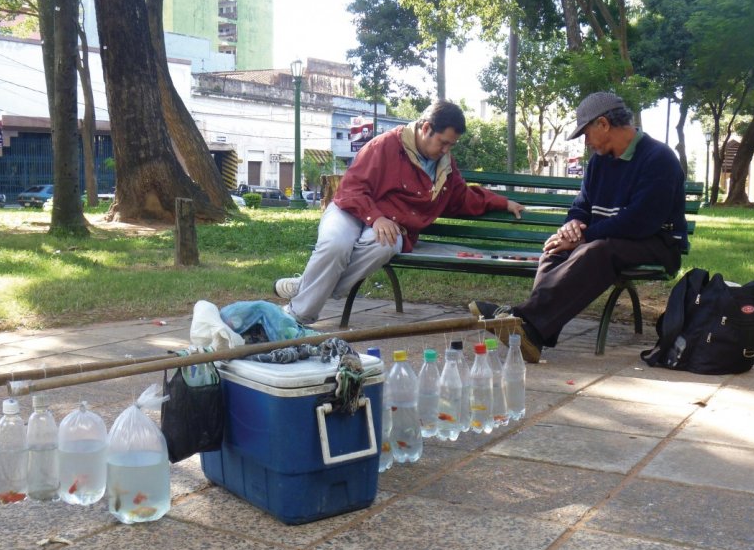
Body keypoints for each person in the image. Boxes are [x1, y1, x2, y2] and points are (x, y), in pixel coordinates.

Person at [470, 92, 688, 363]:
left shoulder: (659, 159)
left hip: (658, 243)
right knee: (554, 249)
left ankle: (525, 322)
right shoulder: (599, 161)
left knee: (595, 250)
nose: (585, 143)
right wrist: (572, 226)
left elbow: (641, 221)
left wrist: (585, 237)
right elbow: (582, 205)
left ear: (603, 124)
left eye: (585, 133)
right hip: (611, 239)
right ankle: (535, 334)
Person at [274, 100, 525, 324]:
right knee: (336, 245)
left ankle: (311, 287)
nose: (447, 150)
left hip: (391, 227)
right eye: (443, 142)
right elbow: (352, 188)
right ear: (426, 128)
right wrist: (375, 217)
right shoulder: (384, 145)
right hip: (350, 210)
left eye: (452, 145)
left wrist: (502, 203)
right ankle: (299, 315)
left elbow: (462, 197)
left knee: (385, 245)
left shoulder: (445, 166)